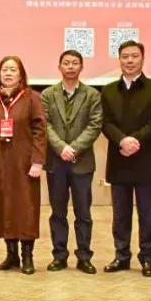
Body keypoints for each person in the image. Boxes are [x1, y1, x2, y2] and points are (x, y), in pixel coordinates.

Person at [100, 40, 151, 277]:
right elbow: (105, 122)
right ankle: (122, 256)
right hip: (119, 158)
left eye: (134, 56)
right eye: (125, 56)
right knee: (120, 214)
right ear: (119, 60)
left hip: (146, 159)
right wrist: (122, 140)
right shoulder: (108, 90)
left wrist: (135, 140)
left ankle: (147, 258)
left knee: (148, 214)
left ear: (142, 59)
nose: (129, 61)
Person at [41, 49, 103, 274]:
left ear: (81, 67)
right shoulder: (47, 94)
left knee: (83, 213)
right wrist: (61, 148)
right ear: (59, 67)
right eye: (66, 63)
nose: (70, 67)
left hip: (82, 163)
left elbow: (95, 125)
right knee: (58, 213)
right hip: (56, 162)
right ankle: (59, 256)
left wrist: (73, 148)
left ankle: (84, 256)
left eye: (75, 63)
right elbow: (45, 125)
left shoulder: (92, 94)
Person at [0, 56, 47, 274]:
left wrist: (38, 161)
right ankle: (11, 255)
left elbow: (40, 131)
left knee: (26, 207)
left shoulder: (32, 98)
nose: (8, 73)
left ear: (21, 75)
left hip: (24, 162)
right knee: (3, 205)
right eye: (5, 70)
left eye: (13, 70)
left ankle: (27, 255)